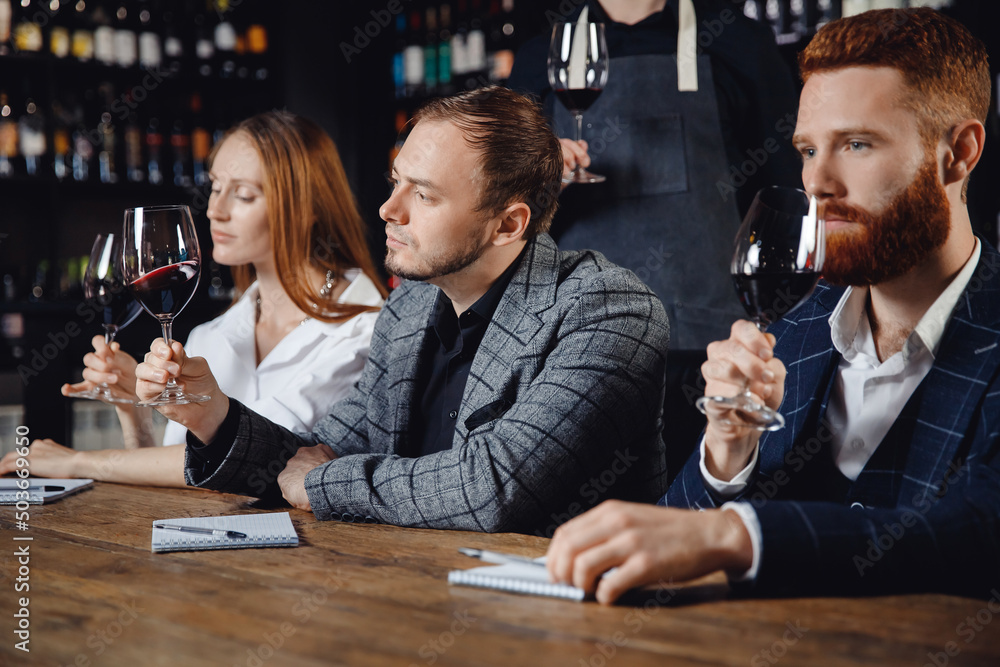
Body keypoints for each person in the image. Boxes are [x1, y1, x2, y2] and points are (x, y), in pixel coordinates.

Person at [545, 8, 999, 603]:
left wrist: (734, 534)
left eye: (857, 144)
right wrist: (725, 458)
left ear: (958, 153)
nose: (817, 184)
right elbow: (674, 541)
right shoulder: (793, 332)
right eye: (808, 151)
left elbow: (977, 533)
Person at [131, 85, 670, 535]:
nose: (388, 209)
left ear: (508, 225)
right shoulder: (410, 308)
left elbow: (494, 488)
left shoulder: (610, 312)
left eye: (425, 196)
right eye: (396, 183)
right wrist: (212, 416)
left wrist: (328, 482)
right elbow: (314, 453)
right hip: (412, 605)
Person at [0, 111, 387, 486]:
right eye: (216, 187)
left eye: (244, 195)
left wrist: (77, 461)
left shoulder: (363, 330)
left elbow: (253, 460)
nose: (215, 210)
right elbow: (181, 473)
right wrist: (132, 410)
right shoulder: (212, 334)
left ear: (306, 208)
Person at [507, 0, 803, 470]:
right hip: (573, 356)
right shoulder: (538, 56)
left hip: (712, 353)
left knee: (702, 511)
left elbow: (788, 199)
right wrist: (543, 184)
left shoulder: (739, 42)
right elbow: (503, 221)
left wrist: (786, 335)